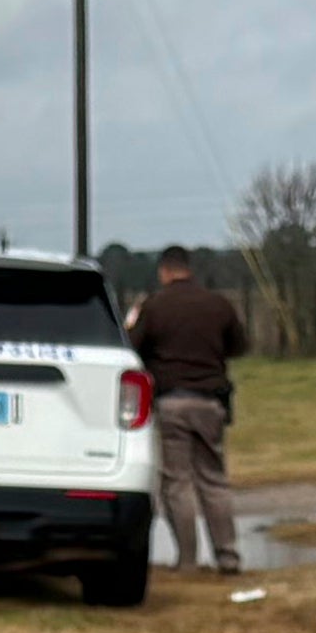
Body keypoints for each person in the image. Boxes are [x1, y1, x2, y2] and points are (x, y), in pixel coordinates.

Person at [123, 243, 245, 577]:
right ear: (189, 268)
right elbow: (239, 346)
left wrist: (133, 323)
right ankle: (228, 556)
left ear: (164, 271)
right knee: (213, 479)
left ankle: (188, 560)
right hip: (210, 400)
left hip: (172, 400)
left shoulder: (155, 306)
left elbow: (132, 348)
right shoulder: (218, 305)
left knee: (177, 482)